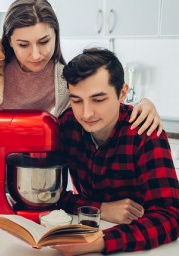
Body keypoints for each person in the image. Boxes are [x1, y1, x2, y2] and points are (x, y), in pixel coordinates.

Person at [0, 0, 163, 222]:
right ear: (9, 41)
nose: (36, 54)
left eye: (44, 41)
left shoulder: (61, 79)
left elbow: (96, 92)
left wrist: (142, 103)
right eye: (23, 44)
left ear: (56, 35)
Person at [54, 47, 178, 255]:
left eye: (98, 99)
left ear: (122, 93)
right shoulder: (67, 126)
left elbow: (170, 217)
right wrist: (100, 208)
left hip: (140, 246)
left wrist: (98, 242)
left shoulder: (145, 134)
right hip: (89, 227)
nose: (86, 113)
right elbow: (52, 196)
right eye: (76, 100)